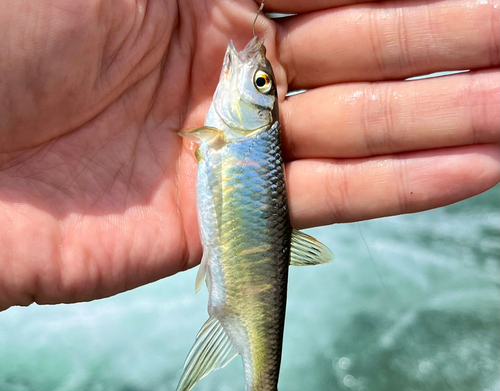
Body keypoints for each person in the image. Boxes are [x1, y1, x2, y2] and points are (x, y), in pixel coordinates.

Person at [0, 0, 498, 311]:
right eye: (263, 82)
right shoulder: (221, 135)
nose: (255, 72)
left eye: (261, 83)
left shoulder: (219, 135)